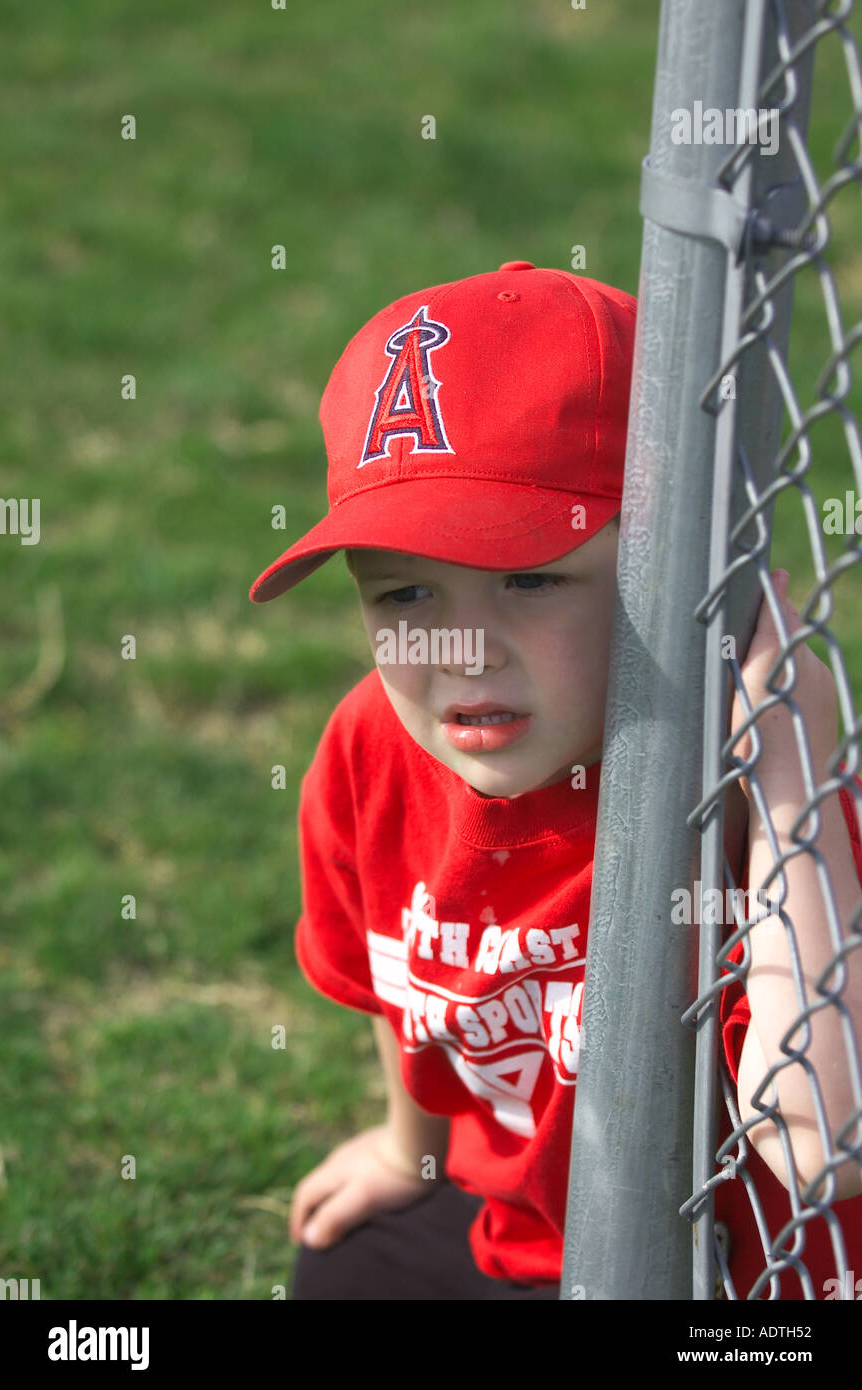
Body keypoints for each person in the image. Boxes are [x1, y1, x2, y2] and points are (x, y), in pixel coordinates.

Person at [249, 261, 862, 1300]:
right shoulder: (373, 745)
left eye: (531, 577)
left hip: (747, 1280)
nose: (461, 649)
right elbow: (396, 978)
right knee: (346, 1269)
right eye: (405, 593)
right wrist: (412, 1155)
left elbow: (822, 1149)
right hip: (543, 1235)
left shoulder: (748, 784)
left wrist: (790, 740)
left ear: (670, 574)